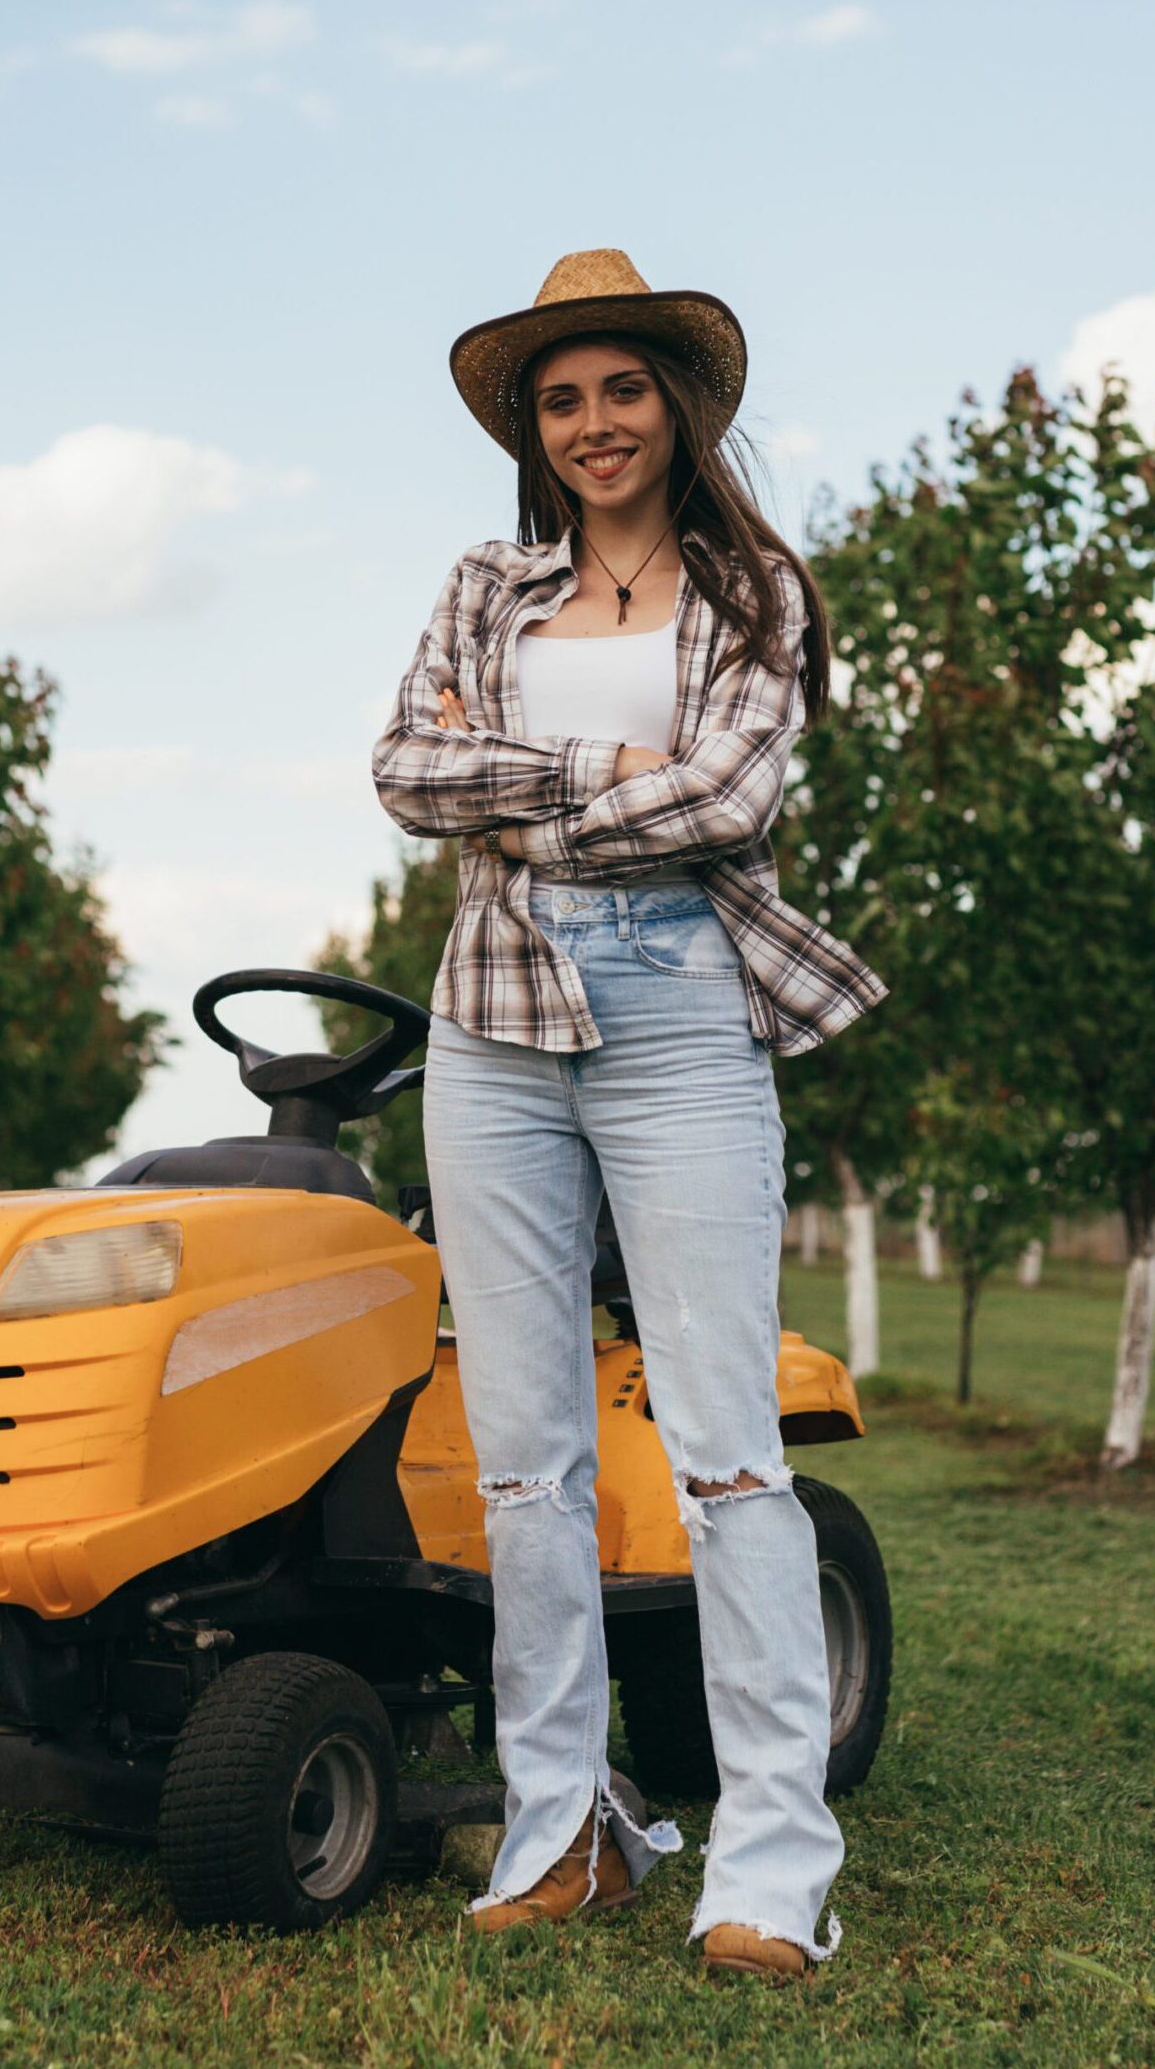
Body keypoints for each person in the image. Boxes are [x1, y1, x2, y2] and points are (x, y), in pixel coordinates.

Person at [369, 249, 887, 1986]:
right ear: (536, 424)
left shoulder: (756, 594)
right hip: (491, 1030)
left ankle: (768, 1858)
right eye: (562, 398)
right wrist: (617, 786)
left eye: (622, 390)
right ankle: (563, 1828)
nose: (593, 424)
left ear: (680, 408)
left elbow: (734, 802)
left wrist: (526, 805)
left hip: (678, 1018)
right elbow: (402, 772)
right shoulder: (482, 585)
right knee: (524, 1456)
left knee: (729, 1451)